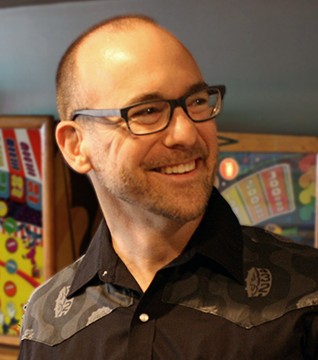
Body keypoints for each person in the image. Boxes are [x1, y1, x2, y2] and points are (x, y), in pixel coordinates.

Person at [19, 15, 318, 359]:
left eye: (197, 102)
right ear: (76, 145)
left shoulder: (306, 295)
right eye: (146, 111)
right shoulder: (45, 323)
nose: (187, 134)